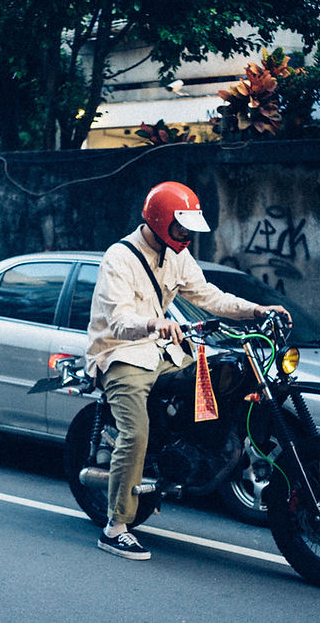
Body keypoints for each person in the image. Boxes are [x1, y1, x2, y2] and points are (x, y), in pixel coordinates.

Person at [85, 181, 290, 560]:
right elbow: (118, 319)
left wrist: (259, 310)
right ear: (161, 222)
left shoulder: (177, 255)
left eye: (190, 230)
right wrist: (152, 324)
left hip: (161, 350)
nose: (187, 237)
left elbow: (210, 296)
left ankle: (193, 453)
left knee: (217, 378)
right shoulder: (120, 258)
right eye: (182, 229)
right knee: (135, 433)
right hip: (121, 353)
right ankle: (114, 527)